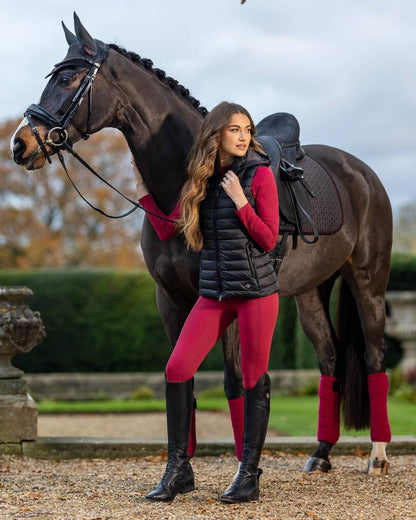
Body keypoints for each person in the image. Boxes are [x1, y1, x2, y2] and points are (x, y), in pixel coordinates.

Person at [133, 101, 279, 503]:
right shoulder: (202, 179)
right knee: (177, 368)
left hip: (254, 294)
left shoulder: (259, 175)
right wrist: (146, 195)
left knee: (252, 379)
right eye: (234, 128)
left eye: (247, 129)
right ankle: (179, 468)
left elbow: (268, 239)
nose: (244, 135)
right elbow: (175, 229)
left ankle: (248, 473)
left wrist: (241, 201)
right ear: (216, 133)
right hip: (215, 293)